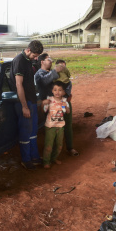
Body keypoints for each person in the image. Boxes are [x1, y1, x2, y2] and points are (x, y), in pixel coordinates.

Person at [35, 54, 79, 156]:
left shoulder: (53, 73)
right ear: (42, 61)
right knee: (53, 128)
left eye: (51, 59)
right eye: (48, 59)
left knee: (67, 125)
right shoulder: (39, 74)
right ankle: (52, 154)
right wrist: (56, 71)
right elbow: (45, 81)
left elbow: (66, 84)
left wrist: (67, 94)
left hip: (63, 103)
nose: (51, 61)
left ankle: (70, 148)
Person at [10, 40, 44, 170]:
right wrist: (24, 106)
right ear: (28, 50)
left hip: (32, 100)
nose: (36, 58)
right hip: (24, 103)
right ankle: (26, 160)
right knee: (25, 132)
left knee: (33, 131)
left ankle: (34, 157)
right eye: (35, 55)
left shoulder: (29, 60)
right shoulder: (19, 61)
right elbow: (19, 85)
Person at [41, 81, 70, 168]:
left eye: (60, 90)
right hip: (50, 126)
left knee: (59, 146)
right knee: (48, 146)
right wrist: (43, 104)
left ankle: (53, 158)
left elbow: (67, 112)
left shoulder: (64, 101)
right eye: (55, 90)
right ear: (52, 91)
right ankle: (46, 161)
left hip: (60, 126)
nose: (57, 92)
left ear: (64, 92)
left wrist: (66, 106)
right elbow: (44, 111)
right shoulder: (49, 100)